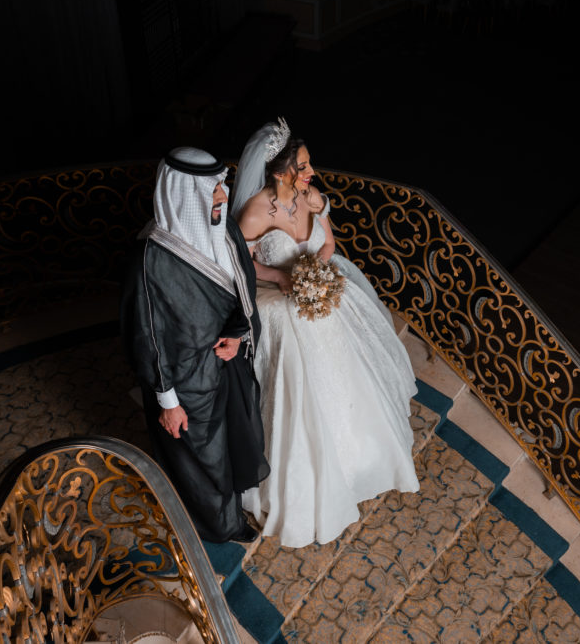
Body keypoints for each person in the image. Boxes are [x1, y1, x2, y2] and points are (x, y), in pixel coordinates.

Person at [231, 119, 419, 548]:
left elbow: (328, 244)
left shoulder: (310, 197)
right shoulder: (257, 211)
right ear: (280, 172)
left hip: (319, 286)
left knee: (349, 365)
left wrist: (318, 271)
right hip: (278, 296)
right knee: (297, 365)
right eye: (303, 164)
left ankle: (360, 456)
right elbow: (242, 265)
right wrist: (283, 277)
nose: (311, 170)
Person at [121, 147, 268, 543]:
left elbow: (243, 288)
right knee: (202, 459)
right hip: (185, 380)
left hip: (225, 364)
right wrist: (168, 401)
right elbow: (146, 335)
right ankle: (218, 527)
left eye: (221, 184)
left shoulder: (223, 227)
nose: (223, 194)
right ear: (185, 193)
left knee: (232, 440)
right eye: (213, 188)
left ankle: (228, 514)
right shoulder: (150, 258)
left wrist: (238, 335)